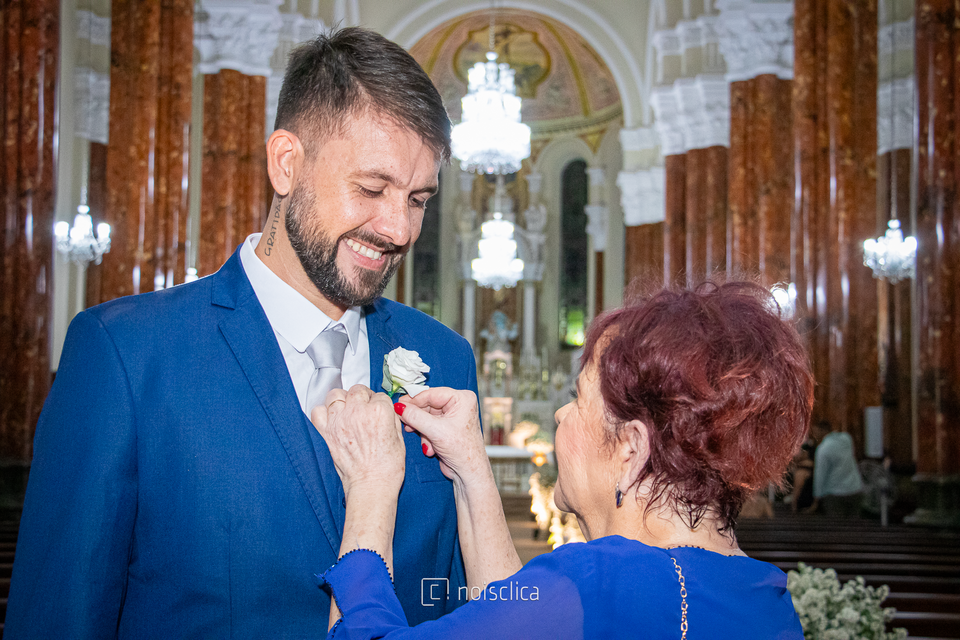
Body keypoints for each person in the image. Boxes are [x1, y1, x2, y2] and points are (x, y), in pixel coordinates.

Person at [5, 28, 476, 638]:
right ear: (286, 163)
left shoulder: (444, 359)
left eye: (418, 199)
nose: (399, 229)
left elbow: (463, 605)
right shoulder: (126, 355)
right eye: (371, 188)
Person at [313, 282, 812, 638]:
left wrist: (371, 486)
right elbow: (509, 616)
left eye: (577, 399)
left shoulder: (593, 583)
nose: (559, 413)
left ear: (631, 448)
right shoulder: (767, 596)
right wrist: (471, 470)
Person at [809, 420, 864, 517]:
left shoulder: (823, 449)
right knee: (854, 524)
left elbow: (820, 474)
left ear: (822, 430)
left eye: (815, 431)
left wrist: (817, 498)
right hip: (854, 488)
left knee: (836, 524)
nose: (814, 434)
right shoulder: (847, 439)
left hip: (835, 492)